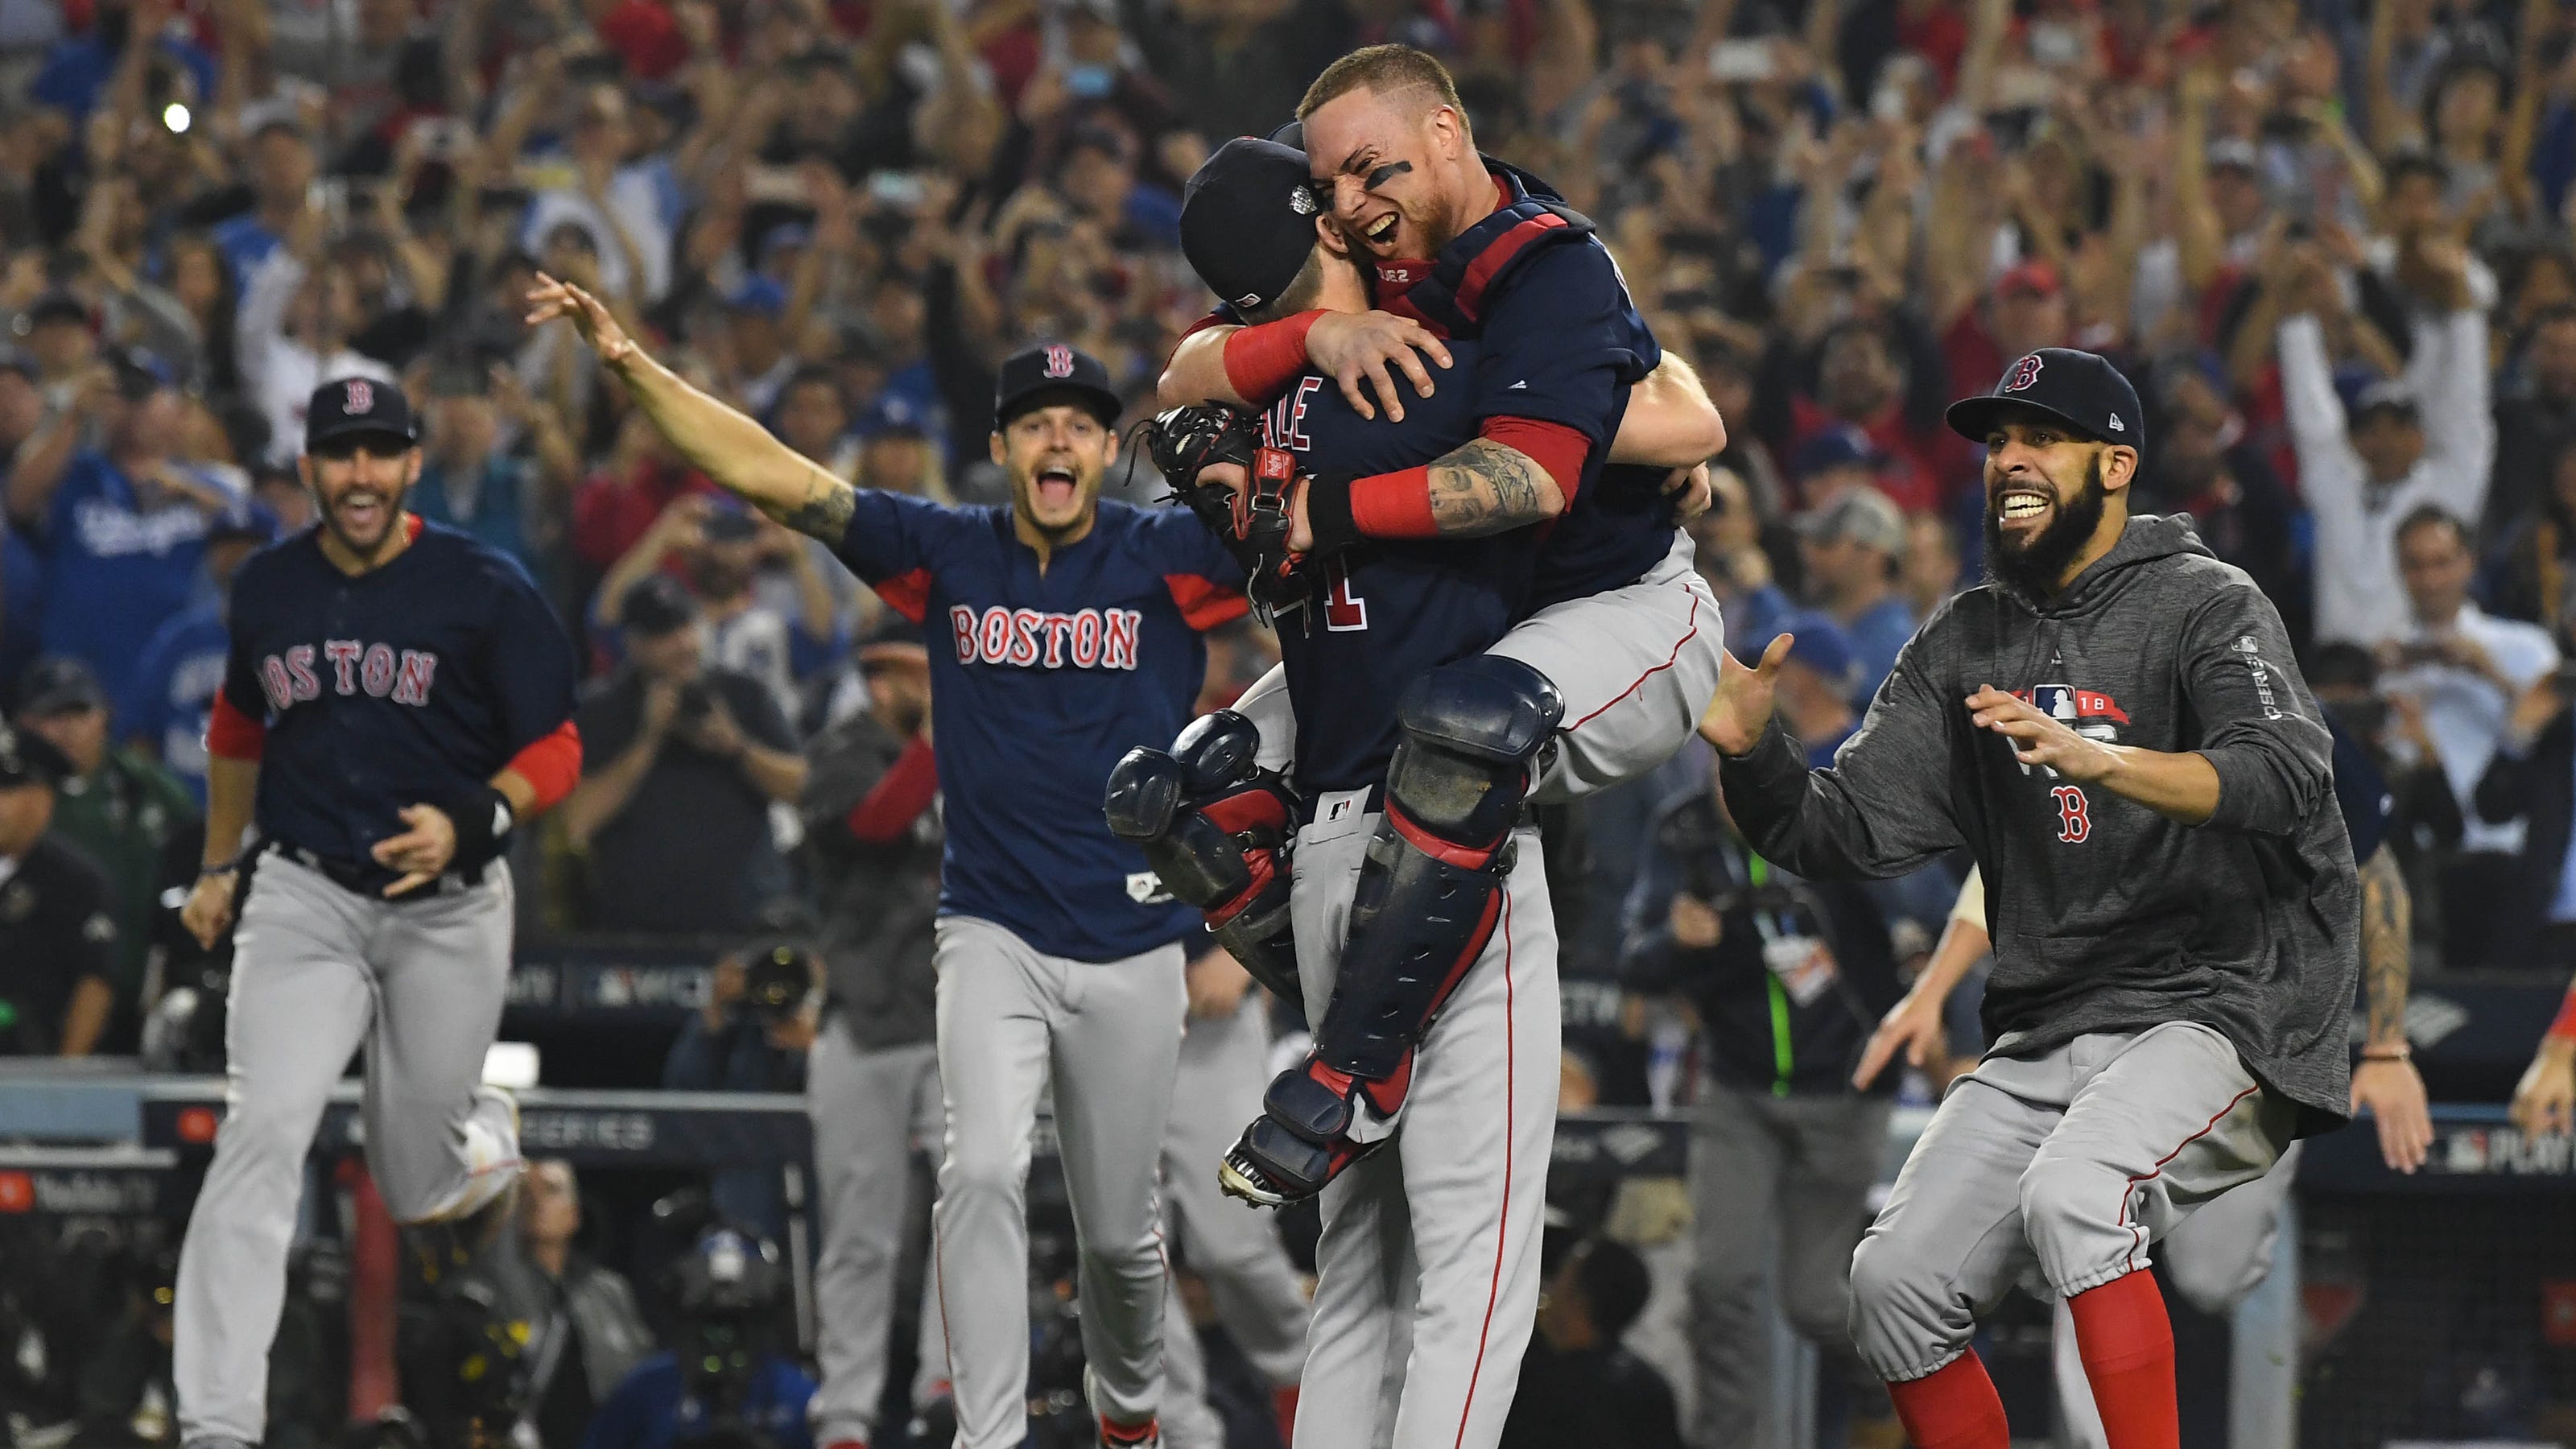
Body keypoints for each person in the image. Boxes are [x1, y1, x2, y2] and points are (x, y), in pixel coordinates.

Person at [530, 269, 1250, 1449]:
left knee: (1123, 1235)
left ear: (1107, 448)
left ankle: (1132, 1414)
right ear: (1003, 447)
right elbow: (776, 476)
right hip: (991, 927)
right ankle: (988, 1436)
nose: (1058, 440)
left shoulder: (1170, 556)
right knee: (976, 1175)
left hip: (1132, 939)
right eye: (1036, 425)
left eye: (1079, 424)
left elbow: (1331, 541)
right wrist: (628, 367)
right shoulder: (946, 553)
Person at [1119, 130, 1715, 1449]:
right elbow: (1663, 417)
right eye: (1338, 200)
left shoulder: (1241, 406)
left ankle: (1336, 1049)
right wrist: (1662, 441)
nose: (1362, 209)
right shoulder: (1430, 359)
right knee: (1478, 1277)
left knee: (1358, 1292)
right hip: (1439, 851)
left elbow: (1180, 388)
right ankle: (1352, 1066)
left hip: (1331, 845)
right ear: (1328, 231)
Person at [1701, 348, 2358, 1449]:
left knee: (2075, 1197)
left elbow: (2286, 775)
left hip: (2225, 1001)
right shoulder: (1970, 636)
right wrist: (1754, 755)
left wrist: (2109, 763)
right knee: (1896, 1287)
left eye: (2039, 437)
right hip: (2054, 1015)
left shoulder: (2206, 600)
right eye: (1998, 439)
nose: (2008, 458)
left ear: (2115, 464)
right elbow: (1840, 828)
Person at [170, 376, 584, 1449]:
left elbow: (559, 747)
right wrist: (222, 867)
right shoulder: (270, 585)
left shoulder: (482, 586)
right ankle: (217, 1424)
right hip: (305, 894)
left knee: (413, 1179)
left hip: (445, 906)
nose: (361, 474)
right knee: (259, 1133)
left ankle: (488, 1141)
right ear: (308, 468)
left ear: (409, 467)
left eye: (381, 453)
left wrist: (478, 817)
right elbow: (236, 726)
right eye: (340, 454)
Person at [1859, 716, 2434, 1447]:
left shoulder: (2261, 695)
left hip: (2240, 1039)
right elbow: (2003, 868)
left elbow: (2373, 868)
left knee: (2209, 1276)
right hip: (2098, 1023)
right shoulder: (2068, 696)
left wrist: (2387, 1048)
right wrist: (1931, 993)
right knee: (2076, 1218)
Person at [1620, 763, 1905, 1447]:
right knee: (1717, 1284)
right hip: (1738, 1091)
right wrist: (1674, 940)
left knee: (1813, 1302)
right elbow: (1635, 965)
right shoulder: (1683, 836)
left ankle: (1888, 1388)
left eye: (1750, 770)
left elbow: (1916, 925)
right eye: (1722, 774)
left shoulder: (1839, 820)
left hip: (1843, 1090)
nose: (1733, 795)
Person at [798, 617, 952, 1449]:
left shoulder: (975, 748)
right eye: (900, 674)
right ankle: (848, 1410)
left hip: (953, 1015)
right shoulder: (842, 751)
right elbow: (872, 825)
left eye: (924, 672)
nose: (914, 687)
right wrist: (935, 739)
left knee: (964, 1209)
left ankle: (944, 1383)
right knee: (861, 1226)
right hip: (864, 1018)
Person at [561, 574, 808, 935]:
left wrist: (738, 747)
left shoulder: (742, 695)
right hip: (635, 929)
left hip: (744, 920)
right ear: (634, 644)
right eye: (664, 633)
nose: (683, 643)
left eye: (686, 626)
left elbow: (802, 787)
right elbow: (576, 823)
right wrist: (649, 739)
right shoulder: (601, 711)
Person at [2277, 246, 2494, 648]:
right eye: (2373, 429)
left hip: (2420, 672)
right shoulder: (2335, 486)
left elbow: (2467, 412)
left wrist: (2465, 309)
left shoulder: (2447, 490)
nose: (2386, 440)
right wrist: (2296, 321)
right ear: (2357, 440)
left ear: (2420, 436)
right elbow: (2313, 422)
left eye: (2399, 427)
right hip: (2338, 677)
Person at [5, 366, 241, 705]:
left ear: (179, 413)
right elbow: (18, 499)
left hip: (176, 680)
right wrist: (74, 416)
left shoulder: (210, 484)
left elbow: (254, 538)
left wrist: (188, 490)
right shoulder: (76, 474)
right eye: (123, 397)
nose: (132, 408)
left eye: (145, 397)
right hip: (80, 684)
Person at [13, 654, 198, 1047]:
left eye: (79, 714)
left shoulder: (144, 788)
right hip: (42, 993)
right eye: (52, 717)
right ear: (24, 726)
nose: (67, 730)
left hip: (137, 983)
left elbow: (193, 847)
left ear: (104, 717)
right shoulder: (20, 796)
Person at [582, 1228, 818, 1449]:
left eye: (740, 1323)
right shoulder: (645, 1391)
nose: (725, 1338)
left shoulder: (796, 1395)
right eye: (710, 1321)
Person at [483, 1161, 659, 1449]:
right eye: (526, 1192)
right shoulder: (498, 1290)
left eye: (551, 1191)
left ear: (574, 1215)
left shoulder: (608, 1291)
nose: (537, 1201)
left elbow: (642, 1374)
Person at [121, 498, 279, 806]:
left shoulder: (304, 638)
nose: (238, 558)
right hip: (185, 818)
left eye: (252, 546)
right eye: (228, 546)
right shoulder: (177, 640)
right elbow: (140, 733)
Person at [1495, 1235, 1682, 1449]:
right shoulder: (1652, 1390)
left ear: (1579, 1300)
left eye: (1560, 1277)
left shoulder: (1543, 1386)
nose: (1549, 1289)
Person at [0, 720, 116, 1057]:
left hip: (33, 1068)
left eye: (6, 790)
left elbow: (95, 983)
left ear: (42, 800)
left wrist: (64, 1077)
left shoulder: (77, 882)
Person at [1794, 487, 1918, 704]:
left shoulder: (1896, 637)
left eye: (1827, 543)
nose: (1811, 553)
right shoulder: (1821, 608)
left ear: (1871, 555)